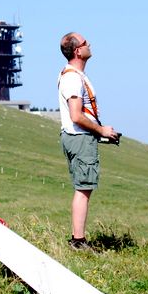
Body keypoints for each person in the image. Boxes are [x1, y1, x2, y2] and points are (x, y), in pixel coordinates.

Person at [57, 32, 119, 250]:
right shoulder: (73, 78)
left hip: (77, 137)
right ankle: (78, 241)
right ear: (77, 51)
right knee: (83, 189)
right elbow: (76, 116)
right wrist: (101, 130)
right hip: (79, 138)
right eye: (85, 43)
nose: (89, 44)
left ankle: (78, 239)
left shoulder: (71, 75)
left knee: (83, 187)